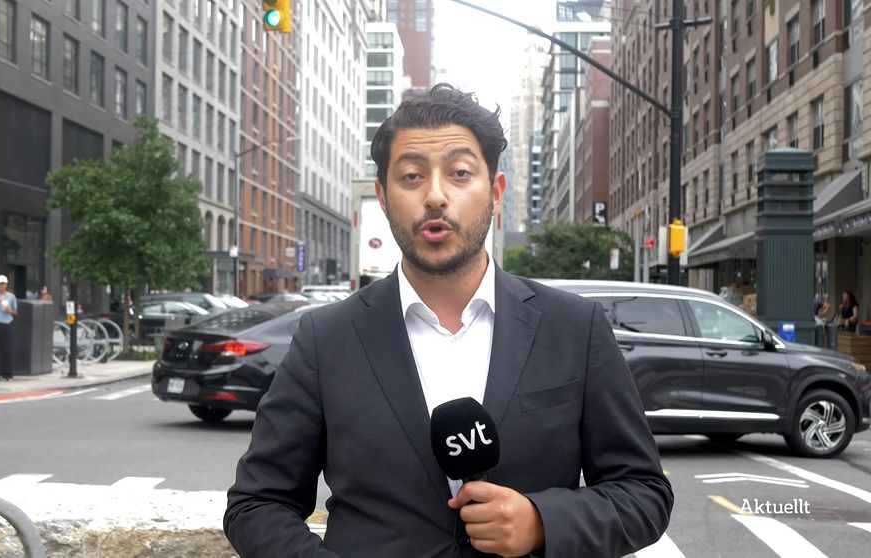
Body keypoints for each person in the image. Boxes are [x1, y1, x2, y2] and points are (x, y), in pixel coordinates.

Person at [225, 84, 673, 557]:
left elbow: (643, 492)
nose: (435, 195)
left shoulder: (574, 328)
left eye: (460, 173)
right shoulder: (326, 339)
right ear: (383, 197)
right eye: (411, 176)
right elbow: (257, 504)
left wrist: (542, 521)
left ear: (495, 192)